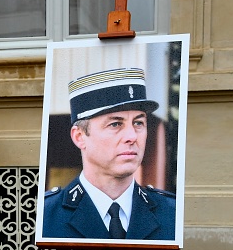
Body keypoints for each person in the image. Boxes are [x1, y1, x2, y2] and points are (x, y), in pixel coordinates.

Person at [43, 67, 176, 240]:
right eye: (115, 124)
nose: (132, 136)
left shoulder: (171, 211)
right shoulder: (48, 214)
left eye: (138, 123)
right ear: (79, 136)